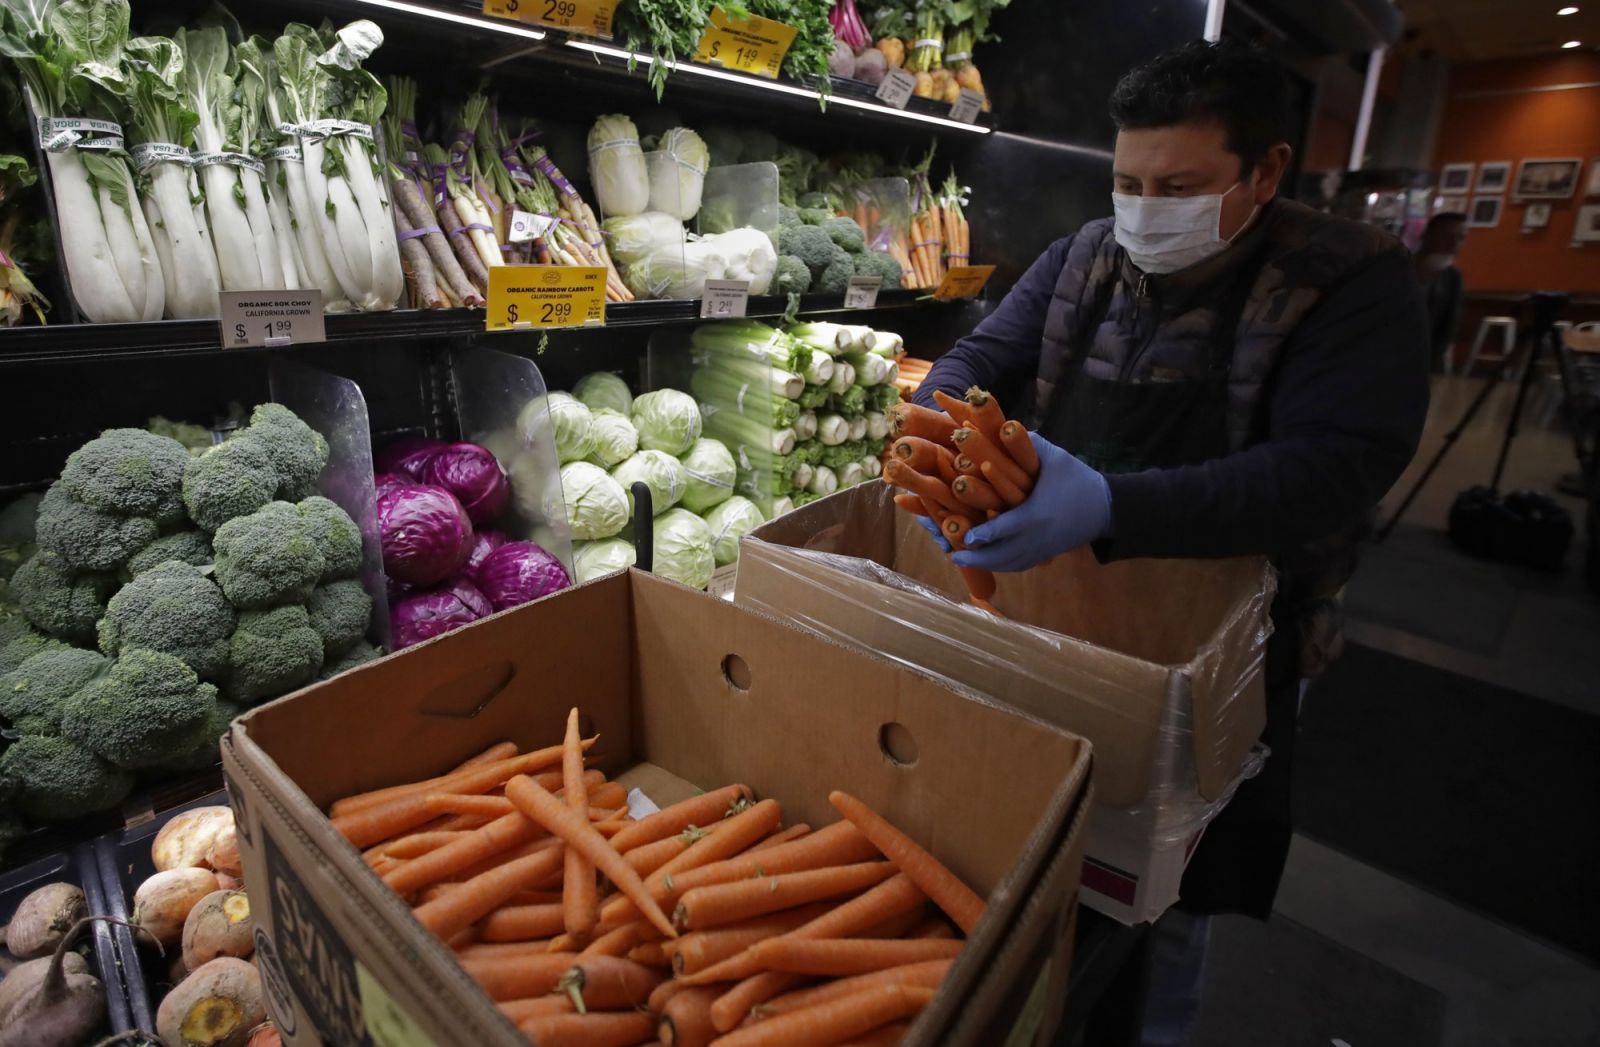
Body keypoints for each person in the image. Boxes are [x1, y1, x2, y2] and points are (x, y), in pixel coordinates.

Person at [911, 39, 1430, 1044]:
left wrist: (1111, 506)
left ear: (1265, 171)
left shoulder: (1352, 284)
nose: (1147, 207)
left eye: (1180, 185)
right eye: (1128, 182)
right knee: (1056, 846)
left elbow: (1330, 470)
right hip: (1065, 610)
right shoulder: (1081, 257)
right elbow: (982, 354)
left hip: (1233, 639)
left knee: (1172, 890)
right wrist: (939, 435)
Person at [1415, 211, 1467, 370]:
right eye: (1447, 236)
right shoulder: (1397, 270)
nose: (1454, 244)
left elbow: (1448, 326)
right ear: (1426, 236)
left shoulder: (1452, 277)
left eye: (1461, 238)